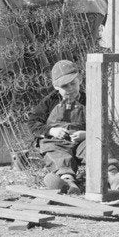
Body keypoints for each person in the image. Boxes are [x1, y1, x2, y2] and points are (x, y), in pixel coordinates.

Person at [38, 58, 87, 194]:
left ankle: (112, 175)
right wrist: (51, 131)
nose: (70, 89)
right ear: (56, 86)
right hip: (57, 142)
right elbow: (33, 123)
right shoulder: (49, 102)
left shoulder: (89, 100)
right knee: (56, 153)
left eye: (73, 83)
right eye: (65, 86)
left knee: (95, 146)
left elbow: (103, 123)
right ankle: (68, 182)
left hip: (81, 141)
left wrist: (86, 134)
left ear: (80, 80)